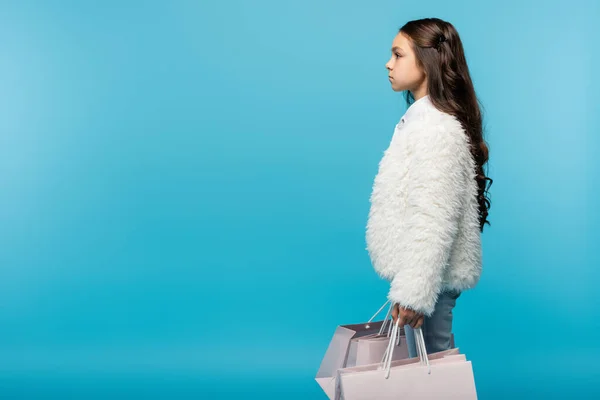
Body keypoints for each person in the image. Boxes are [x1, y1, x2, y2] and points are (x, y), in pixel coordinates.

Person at [365, 17, 493, 358]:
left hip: (428, 278)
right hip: (422, 274)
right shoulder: (419, 122)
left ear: (427, 61)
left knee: (435, 370)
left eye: (398, 55)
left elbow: (434, 217)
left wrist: (414, 292)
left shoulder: (436, 129)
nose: (388, 64)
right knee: (430, 368)